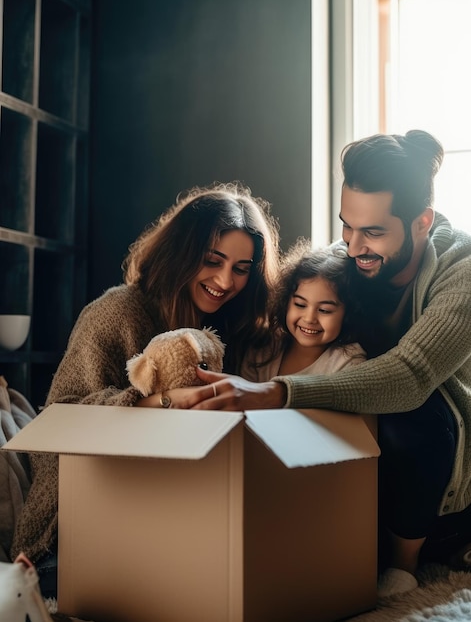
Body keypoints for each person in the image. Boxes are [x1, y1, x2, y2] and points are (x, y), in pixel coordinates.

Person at [187, 130, 471, 598]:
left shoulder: (459, 268)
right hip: (372, 465)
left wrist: (278, 391)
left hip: (444, 466)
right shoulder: (347, 262)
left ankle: (407, 563)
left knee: (408, 413)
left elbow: (410, 376)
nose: (354, 245)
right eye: (346, 226)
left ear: (422, 223)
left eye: (374, 232)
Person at [11, 180, 280, 596]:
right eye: (213, 260)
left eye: (242, 269)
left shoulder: (234, 329)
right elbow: (60, 419)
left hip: (186, 503)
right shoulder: (116, 311)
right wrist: (163, 401)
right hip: (85, 510)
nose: (226, 281)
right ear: (183, 253)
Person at [242, 239, 366, 382]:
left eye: (324, 310)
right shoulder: (263, 347)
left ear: (348, 314)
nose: (309, 318)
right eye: (300, 304)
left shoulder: (349, 362)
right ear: (285, 302)